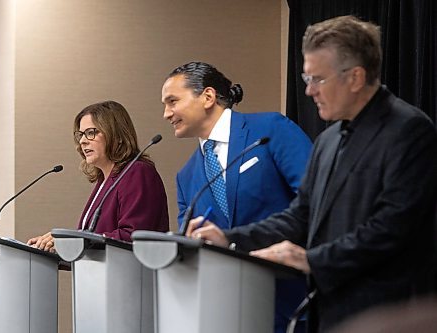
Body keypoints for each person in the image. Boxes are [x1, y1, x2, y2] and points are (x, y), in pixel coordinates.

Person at [186, 16, 437, 332]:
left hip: (389, 313)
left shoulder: (409, 130)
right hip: (330, 312)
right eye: (306, 78)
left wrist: (311, 260)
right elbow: (300, 216)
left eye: (318, 79)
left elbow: (393, 228)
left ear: (355, 77)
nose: (309, 91)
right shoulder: (328, 140)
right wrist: (230, 238)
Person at [161, 62, 312, 332]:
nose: (166, 113)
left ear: (207, 97)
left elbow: (316, 202)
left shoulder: (270, 130)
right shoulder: (185, 177)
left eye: (173, 101)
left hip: (297, 303)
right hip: (229, 313)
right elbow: (192, 247)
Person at [28, 100, 169, 251]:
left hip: (130, 273)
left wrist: (71, 241)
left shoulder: (137, 172)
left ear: (117, 135)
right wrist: (57, 248)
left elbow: (133, 236)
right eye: (81, 135)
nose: (82, 141)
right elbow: (92, 240)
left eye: (91, 133)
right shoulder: (104, 181)